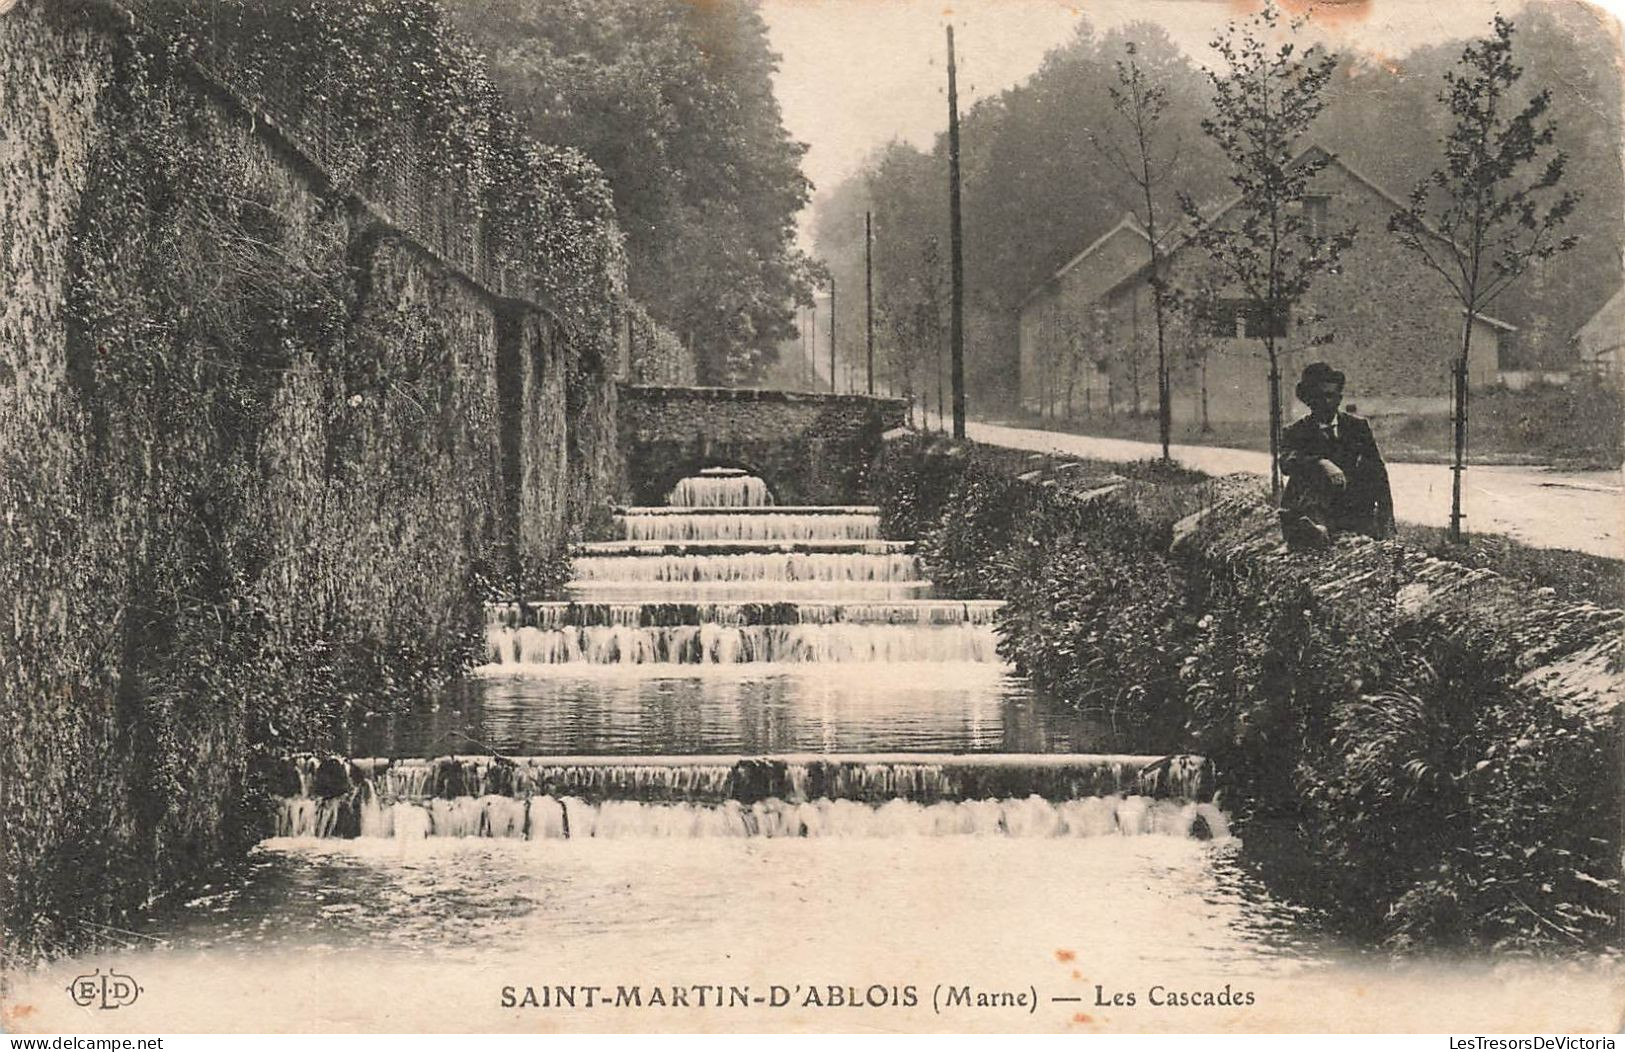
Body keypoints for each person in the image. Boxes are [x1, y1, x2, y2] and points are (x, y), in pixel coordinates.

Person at [1278, 362, 1397, 550]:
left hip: (1350, 508)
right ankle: (1314, 531)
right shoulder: (1296, 431)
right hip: (1313, 508)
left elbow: (1378, 473)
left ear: (1339, 398)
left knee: (1367, 468)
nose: (1325, 402)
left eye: (1330, 396)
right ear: (1308, 399)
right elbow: (1285, 463)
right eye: (1318, 397)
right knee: (1304, 473)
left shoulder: (1357, 427)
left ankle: (1330, 532)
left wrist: (1387, 522)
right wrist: (1320, 462)